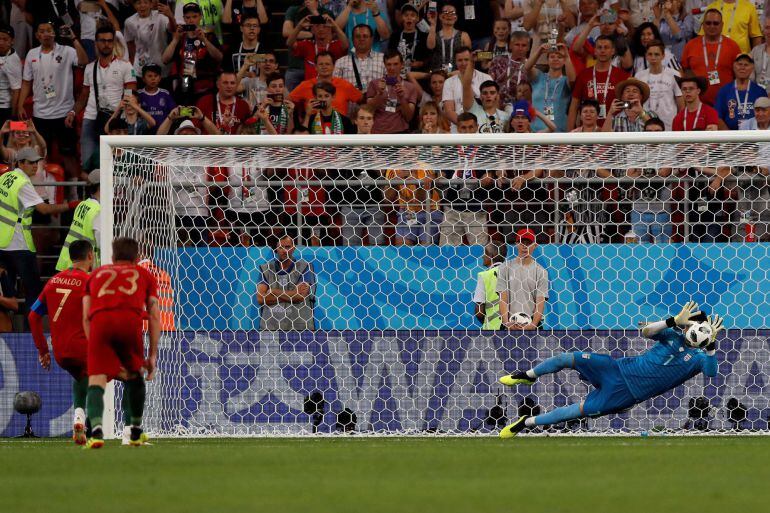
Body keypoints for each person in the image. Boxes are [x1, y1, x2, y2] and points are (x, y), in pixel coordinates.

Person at [497, 302, 723, 438]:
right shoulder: (672, 334)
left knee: (575, 411)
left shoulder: (698, 359)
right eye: (690, 325)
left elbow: (711, 373)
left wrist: (712, 346)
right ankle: (528, 376)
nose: (690, 329)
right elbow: (645, 331)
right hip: (615, 368)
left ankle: (524, 422)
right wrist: (672, 320)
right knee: (567, 357)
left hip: (625, 394)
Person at [83, 237, 160, 449]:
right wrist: (152, 355)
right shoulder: (145, 274)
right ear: (137, 258)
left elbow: (85, 316)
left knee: (96, 380)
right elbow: (154, 315)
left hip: (100, 323)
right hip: (128, 322)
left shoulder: (96, 275)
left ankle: (96, 430)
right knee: (135, 375)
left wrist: (94, 346)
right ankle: (134, 431)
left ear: (112, 256)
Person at [28, 240, 94, 445]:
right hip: (83, 347)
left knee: (81, 376)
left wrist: (43, 350)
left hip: (60, 352)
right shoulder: (90, 282)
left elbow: (32, 316)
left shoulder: (53, 281)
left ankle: (80, 421)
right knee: (117, 375)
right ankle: (130, 427)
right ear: (90, 256)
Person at [0, 147, 77, 316]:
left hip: (2, 243)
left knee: (7, 292)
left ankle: (9, 332)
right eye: (31, 162)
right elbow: (44, 210)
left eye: (36, 162)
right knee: (33, 291)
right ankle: (30, 333)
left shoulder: (5, 177)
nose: (35, 166)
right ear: (21, 163)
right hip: (19, 244)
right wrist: (70, 205)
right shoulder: (23, 183)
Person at [18, 21, 88, 182]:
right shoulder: (32, 54)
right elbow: (27, 82)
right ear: (37, 35)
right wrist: (21, 104)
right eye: (41, 31)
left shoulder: (67, 51)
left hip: (64, 113)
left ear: (54, 33)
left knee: (69, 154)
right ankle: (43, 192)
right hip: (40, 114)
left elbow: (84, 61)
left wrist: (74, 38)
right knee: (41, 154)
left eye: (49, 30)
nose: (46, 34)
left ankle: (74, 193)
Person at [74, 26, 137, 169]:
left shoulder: (126, 66)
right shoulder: (90, 68)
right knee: (88, 163)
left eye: (110, 41)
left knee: (116, 164)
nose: (106, 44)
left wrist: (122, 115)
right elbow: (84, 95)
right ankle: (88, 191)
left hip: (117, 118)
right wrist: (73, 112)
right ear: (96, 43)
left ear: (114, 42)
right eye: (102, 41)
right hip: (91, 117)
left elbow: (130, 93)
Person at [331, 104, 387, 246]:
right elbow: (337, 165)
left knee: (378, 247)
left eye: (369, 118)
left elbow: (383, 172)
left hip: (374, 203)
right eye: (362, 118)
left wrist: (372, 151)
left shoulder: (381, 143)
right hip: (350, 204)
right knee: (350, 248)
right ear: (355, 121)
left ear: (373, 121)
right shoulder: (346, 142)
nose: (365, 122)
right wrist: (356, 150)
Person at [438, 112, 494, 246]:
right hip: (452, 206)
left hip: (476, 207)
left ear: (477, 127)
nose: (467, 131)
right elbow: (443, 173)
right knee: (447, 250)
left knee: (479, 251)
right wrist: (439, 178)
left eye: (470, 127)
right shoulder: (450, 148)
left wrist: (488, 176)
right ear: (458, 129)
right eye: (463, 128)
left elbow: (491, 173)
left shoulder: (485, 148)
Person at [162, 2, 224, 104]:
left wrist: (205, 41)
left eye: (194, 16)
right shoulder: (180, 37)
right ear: (184, 19)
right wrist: (175, 40)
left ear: (200, 17)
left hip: (205, 84)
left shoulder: (209, 36)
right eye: (188, 17)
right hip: (185, 84)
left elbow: (219, 58)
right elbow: (165, 59)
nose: (191, 20)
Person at [627, 118, 674, 243]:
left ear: (663, 133)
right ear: (644, 132)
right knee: (639, 252)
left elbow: (665, 173)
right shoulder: (636, 150)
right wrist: (654, 172)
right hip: (639, 211)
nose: (653, 134)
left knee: (664, 251)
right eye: (649, 131)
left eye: (657, 131)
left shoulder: (668, 150)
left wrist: (641, 170)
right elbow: (630, 174)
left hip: (662, 211)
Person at [680, 9, 741, 105]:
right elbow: (684, 71)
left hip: (727, 103)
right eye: (708, 23)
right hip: (697, 104)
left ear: (722, 25)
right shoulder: (690, 45)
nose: (712, 26)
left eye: (715, 23)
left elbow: (739, 75)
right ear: (703, 25)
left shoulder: (733, 46)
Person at [256, 234, 316, 331]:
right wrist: (292, 295)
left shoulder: (305, 267)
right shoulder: (266, 269)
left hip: (300, 328)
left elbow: (299, 297)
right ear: (276, 249)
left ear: (293, 248)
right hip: (270, 328)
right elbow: (260, 299)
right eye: (280, 247)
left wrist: (273, 292)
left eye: (287, 247)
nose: (284, 250)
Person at [568, 35, 629, 129]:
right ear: (595, 51)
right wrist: (568, 136)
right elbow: (574, 106)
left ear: (613, 51)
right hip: (588, 132)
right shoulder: (583, 75)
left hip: (614, 131)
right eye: (599, 47)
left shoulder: (623, 76)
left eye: (606, 47)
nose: (602, 50)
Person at [495, 228, 549, 330]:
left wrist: (533, 325)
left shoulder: (541, 271)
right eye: (521, 242)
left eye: (528, 243)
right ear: (516, 244)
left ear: (535, 245)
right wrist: (506, 323)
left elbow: (540, 302)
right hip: (509, 324)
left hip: (532, 324)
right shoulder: (504, 268)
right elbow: (503, 299)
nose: (524, 246)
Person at [289, 51, 363, 118]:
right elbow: (288, 101)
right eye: (321, 64)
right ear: (315, 67)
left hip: (339, 129)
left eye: (327, 64)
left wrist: (355, 120)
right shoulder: (305, 85)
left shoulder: (345, 85)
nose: (324, 67)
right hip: (313, 129)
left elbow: (362, 100)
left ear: (334, 66)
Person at [56, 170, 101, 271]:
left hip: (68, 260)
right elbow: (100, 241)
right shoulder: (98, 209)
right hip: (84, 265)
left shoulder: (82, 204)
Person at [635, 40, 684, 130]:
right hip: (646, 123)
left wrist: (679, 125)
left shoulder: (674, 74)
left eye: (657, 54)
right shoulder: (639, 76)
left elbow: (681, 103)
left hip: (670, 123)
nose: (653, 57)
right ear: (646, 56)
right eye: (650, 54)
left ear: (663, 56)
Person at [526, 43, 575, 133]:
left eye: (559, 57)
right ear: (547, 60)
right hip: (534, 132)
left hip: (557, 133)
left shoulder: (565, 80)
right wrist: (539, 51)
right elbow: (526, 68)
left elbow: (573, 80)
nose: (556, 59)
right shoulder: (538, 76)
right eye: (552, 57)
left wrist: (567, 56)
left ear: (564, 61)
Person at [366, 50, 417, 133]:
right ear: (384, 65)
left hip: (401, 132)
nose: (392, 68)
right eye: (389, 64)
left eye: (395, 64)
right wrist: (379, 94)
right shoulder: (374, 84)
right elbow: (368, 110)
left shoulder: (410, 87)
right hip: (378, 132)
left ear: (402, 65)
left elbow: (409, 117)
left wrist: (402, 98)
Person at [124, 0, 176, 80]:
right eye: (139, 3)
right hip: (140, 68)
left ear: (151, 4)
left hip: (160, 67)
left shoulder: (161, 17)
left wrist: (170, 16)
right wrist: (132, 64)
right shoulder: (129, 22)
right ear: (134, 6)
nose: (142, 5)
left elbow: (173, 29)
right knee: (139, 91)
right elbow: (130, 44)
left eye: (145, 2)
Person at [441, 46, 493, 127]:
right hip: (459, 127)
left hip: (483, 125)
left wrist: (477, 126)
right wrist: (465, 126)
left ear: (472, 60)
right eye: (460, 60)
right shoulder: (449, 82)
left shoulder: (486, 78)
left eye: (466, 59)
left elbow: (492, 106)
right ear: (455, 62)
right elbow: (449, 111)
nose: (463, 63)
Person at [714, 53, 768, 129]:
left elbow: (766, 116)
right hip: (730, 137)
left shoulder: (760, 91)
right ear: (734, 66)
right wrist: (729, 137)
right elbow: (717, 117)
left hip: (754, 136)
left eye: (746, 65)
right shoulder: (724, 91)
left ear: (752, 68)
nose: (742, 67)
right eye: (739, 64)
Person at [289, 13, 349, 81]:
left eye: (324, 26)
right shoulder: (307, 45)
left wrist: (335, 26)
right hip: (311, 88)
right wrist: (299, 26)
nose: (321, 29)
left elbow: (346, 45)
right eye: (317, 26)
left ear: (330, 29)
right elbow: (290, 43)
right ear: (312, 30)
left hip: (331, 86)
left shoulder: (336, 45)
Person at [333, 24, 386, 92]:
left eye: (365, 36)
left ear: (372, 39)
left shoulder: (383, 59)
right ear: (352, 39)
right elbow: (335, 89)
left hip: (377, 101)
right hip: (350, 101)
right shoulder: (340, 62)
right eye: (358, 36)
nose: (361, 39)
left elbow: (390, 86)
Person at [488, 31, 532, 106]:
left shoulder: (531, 67)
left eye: (524, 45)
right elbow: (490, 83)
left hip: (520, 106)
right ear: (510, 45)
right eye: (517, 45)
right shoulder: (498, 61)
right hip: (498, 104)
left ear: (528, 47)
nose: (520, 48)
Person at [426, 2, 472, 72]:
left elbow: (469, 57)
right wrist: (433, 24)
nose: (449, 15)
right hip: (438, 74)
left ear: (456, 17)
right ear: (440, 16)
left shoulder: (464, 35)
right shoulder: (434, 35)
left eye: (452, 13)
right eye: (446, 12)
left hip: (457, 73)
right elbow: (430, 46)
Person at [473, 240, 508, 330]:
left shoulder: (484, 276)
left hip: (493, 328)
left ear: (493, 256)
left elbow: (479, 312)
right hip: (513, 326)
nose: (482, 256)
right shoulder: (513, 272)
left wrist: (488, 321)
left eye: (485, 253)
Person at [388, 4, 429, 75]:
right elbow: (390, 55)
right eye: (406, 15)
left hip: (417, 75)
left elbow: (429, 57)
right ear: (401, 18)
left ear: (417, 18)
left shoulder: (423, 36)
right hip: (398, 74)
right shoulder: (395, 36)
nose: (409, 17)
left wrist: (421, 63)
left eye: (412, 15)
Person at [137, 63, 177, 130]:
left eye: (156, 76)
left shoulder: (165, 94)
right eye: (150, 76)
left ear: (160, 78)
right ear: (143, 79)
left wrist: (189, 112)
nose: (153, 78)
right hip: (143, 134)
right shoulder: (138, 94)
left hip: (163, 133)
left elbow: (175, 111)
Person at [0, 26, 21, 127]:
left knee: (6, 140)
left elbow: (16, 90)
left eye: (5, 39)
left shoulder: (13, 61)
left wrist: (13, 116)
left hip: (4, 108)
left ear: (12, 41)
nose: (1, 42)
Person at [749, 17, 770, 91]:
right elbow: (750, 77)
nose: (769, 31)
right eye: (767, 28)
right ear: (763, 30)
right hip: (757, 96)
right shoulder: (755, 51)